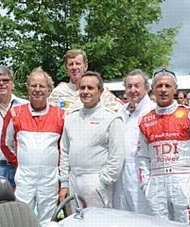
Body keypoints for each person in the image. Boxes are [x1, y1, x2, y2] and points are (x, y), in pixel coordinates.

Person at [138, 69, 190, 224]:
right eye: (159, 86)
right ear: (153, 89)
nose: (163, 90)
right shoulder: (145, 120)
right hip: (156, 185)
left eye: (167, 86)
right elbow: (142, 158)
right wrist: (146, 186)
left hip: (183, 182)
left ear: (175, 89)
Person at [0, 68, 65, 227]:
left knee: (47, 222)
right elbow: (5, 144)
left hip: (49, 179)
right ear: (27, 88)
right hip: (25, 178)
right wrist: (21, 163)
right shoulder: (15, 113)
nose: (37, 90)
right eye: (33, 85)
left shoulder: (60, 115)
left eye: (41, 86)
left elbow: (64, 150)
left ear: (49, 90)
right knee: (21, 220)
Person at [59, 71, 124, 207]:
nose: (85, 91)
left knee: (97, 225)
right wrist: (64, 183)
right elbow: (64, 152)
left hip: (96, 181)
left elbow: (117, 155)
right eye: (82, 88)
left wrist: (104, 181)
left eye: (90, 88)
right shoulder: (70, 118)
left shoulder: (111, 118)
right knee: (75, 223)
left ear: (100, 91)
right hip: (73, 181)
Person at [112, 69, 154, 214]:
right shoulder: (120, 112)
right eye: (129, 86)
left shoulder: (152, 111)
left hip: (141, 174)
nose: (133, 90)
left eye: (137, 86)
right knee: (121, 218)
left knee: (144, 219)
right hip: (120, 175)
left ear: (147, 88)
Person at [49, 48, 123, 114]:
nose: (74, 67)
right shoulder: (58, 92)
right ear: (66, 68)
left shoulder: (100, 91)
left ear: (85, 66)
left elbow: (120, 110)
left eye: (78, 63)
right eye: (71, 64)